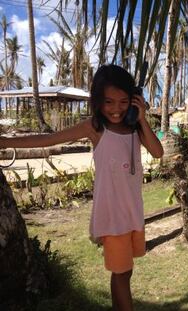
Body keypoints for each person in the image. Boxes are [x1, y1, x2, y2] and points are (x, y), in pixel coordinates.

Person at [0, 64, 164, 311]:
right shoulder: (95, 128)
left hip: (133, 214)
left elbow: (158, 152)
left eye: (123, 102)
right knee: (121, 274)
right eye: (108, 102)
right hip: (114, 217)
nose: (116, 109)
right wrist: (5, 142)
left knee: (124, 273)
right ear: (97, 101)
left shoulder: (135, 127)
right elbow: (48, 140)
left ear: (134, 100)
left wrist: (141, 119)